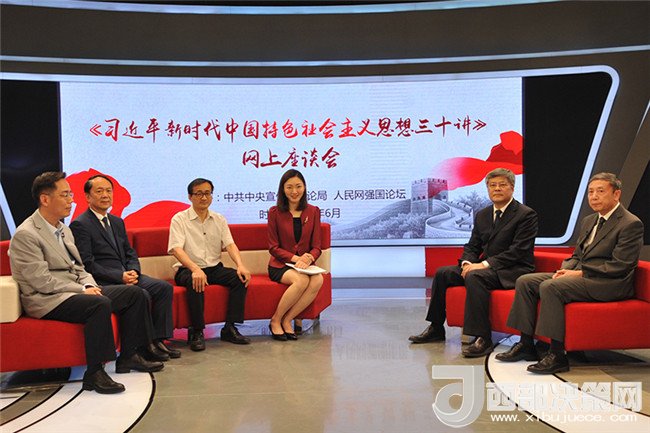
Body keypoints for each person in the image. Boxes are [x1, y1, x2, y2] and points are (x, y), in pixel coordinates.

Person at [8, 172, 163, 394]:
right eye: (65, 195)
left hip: (71, 290)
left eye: (71, 195)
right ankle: (95, 373)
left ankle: (129, 355)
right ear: (45, 199)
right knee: (98, 304)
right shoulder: (27, 234)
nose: (71, 200)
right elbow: (40, 282)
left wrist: (89, 285)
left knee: (134, 294)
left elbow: (79, 268)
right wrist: (82, 289)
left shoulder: (63, 229)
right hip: (46, 299)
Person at [497, 172, 644, 373]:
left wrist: (579, 273)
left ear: (616, 194)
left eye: (600, 191)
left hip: (609, 283)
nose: (594, 196)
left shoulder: (630, 223)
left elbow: (620, 266)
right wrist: (565, 270)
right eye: (591, 192)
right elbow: (577, 255)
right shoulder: (589, 220)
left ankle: (557, 354)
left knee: (551, 287)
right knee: (525, 281)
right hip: (583, 277)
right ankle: (526, 344)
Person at [409, 168, 538, 358]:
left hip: (513, 270)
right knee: (443, 273)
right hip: (486, 269)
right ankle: (436, 327)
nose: (497, 189)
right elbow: (473, 245)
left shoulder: (525, 214)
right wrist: (466, 263)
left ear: (512, 187)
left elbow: (518, 251)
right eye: (492, 185)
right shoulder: (483, 215)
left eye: (502, 185)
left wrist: (483, 265)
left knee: (476, 276)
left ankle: (483, 338)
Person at [70, 174, 180, 360]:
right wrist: (119, 276)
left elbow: (130, 252)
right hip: (106, 280)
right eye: (99, 191)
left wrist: (134, 271)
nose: (105, 195)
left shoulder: (117, 221)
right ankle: (144, 345)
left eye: (108, 191)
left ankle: (159, 340)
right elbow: (87, 263)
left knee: (163, 288)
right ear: (87, 197)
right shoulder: (81, 224)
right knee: (142, 294)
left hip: (127, 274)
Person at [168, 178, 252, 351]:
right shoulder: (179, 219)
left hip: (214, 268)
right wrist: (195, 269)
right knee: (196, 280)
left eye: (207, 193)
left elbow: (230, 244)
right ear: (190, 196)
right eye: (199, 194)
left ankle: (229, 328)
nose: (204, 197)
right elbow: (176, 249)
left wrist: (240, 265)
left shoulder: (219, 219)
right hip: (187, 269)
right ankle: (197, 331)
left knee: (239, 278)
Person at [267, 169, 323, 341]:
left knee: (318, 280)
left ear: (304, 188)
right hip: (280, 265)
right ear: (283, 189)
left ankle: (288, 319)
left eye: (298, 186)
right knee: (301, 280)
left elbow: (317, 246)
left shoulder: (313, 211)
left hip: (305, 264)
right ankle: (276, 320)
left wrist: (309, 257)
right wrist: (296, 259)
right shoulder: (274, 212)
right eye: (289, 187)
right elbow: (273, 247)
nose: (294, 191)